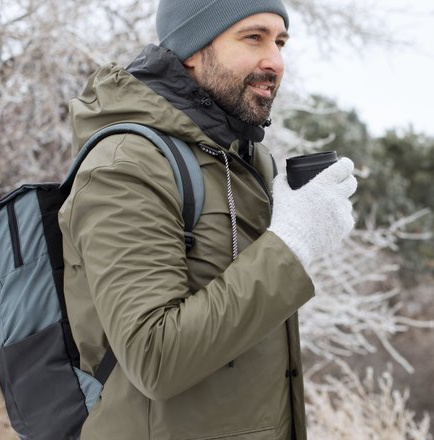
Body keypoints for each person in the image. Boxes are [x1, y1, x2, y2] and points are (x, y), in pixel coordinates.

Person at [58, 0, 357, 438]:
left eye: (280, 41)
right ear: (192, 49)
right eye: (253, 37)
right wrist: (293, 243)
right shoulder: (127, 166)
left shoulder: (247, 158)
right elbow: (154, 357)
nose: (274, 60)